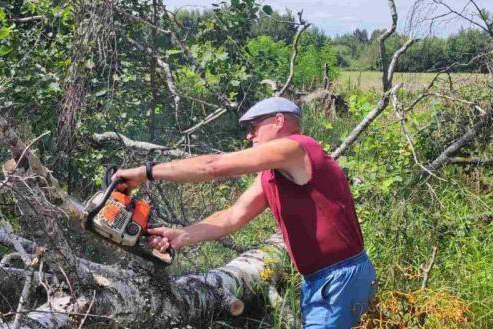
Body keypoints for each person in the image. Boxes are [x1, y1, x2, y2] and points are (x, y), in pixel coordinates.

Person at [112, 97, 376, 328]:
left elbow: (213, 166)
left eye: (254, 127)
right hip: (318, 280)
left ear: (279, 121)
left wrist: (144, 173)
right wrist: (182, 235)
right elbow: (232, 216)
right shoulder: (272, 175)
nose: (250, 136)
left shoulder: (296, 147)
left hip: (339, 276)